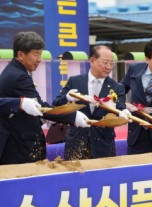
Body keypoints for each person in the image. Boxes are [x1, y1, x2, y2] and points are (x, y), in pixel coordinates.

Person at [0, 31, 89, 164]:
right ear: (20, 54)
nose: (39, 59)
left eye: (40, 54)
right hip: (18, 147)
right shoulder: (19, 76)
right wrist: (72, 116)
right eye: (36, 54)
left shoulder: (14, 71)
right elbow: (41, 107)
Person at [52, 45, 129, 160]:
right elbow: (56, 103)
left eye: (111, 63)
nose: (109, 67)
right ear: (92, 61)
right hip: (76, 142)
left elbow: (120, 107)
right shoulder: (75, 81)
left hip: (103, 144)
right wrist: (67, 98)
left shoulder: (117, 87)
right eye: (105, 62)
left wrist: (123, 112)